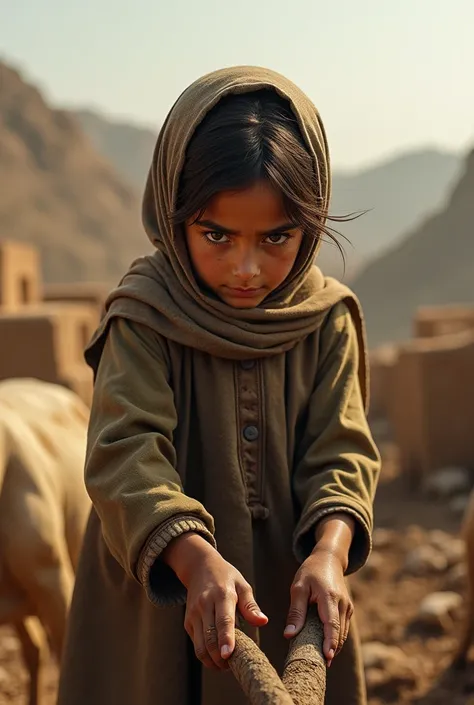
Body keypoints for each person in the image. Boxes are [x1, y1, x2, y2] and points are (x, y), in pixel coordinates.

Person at [57, 65, 381, 705]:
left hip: (293, 591)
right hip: (163, 591)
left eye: (278, 237)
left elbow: (342, 451)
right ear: (173, 217)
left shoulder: (327, 319)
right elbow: (125, 454)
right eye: (216, 235)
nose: (246, 267)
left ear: (311, 226)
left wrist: (329, 554)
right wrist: (194, 561)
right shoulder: (144, 315)